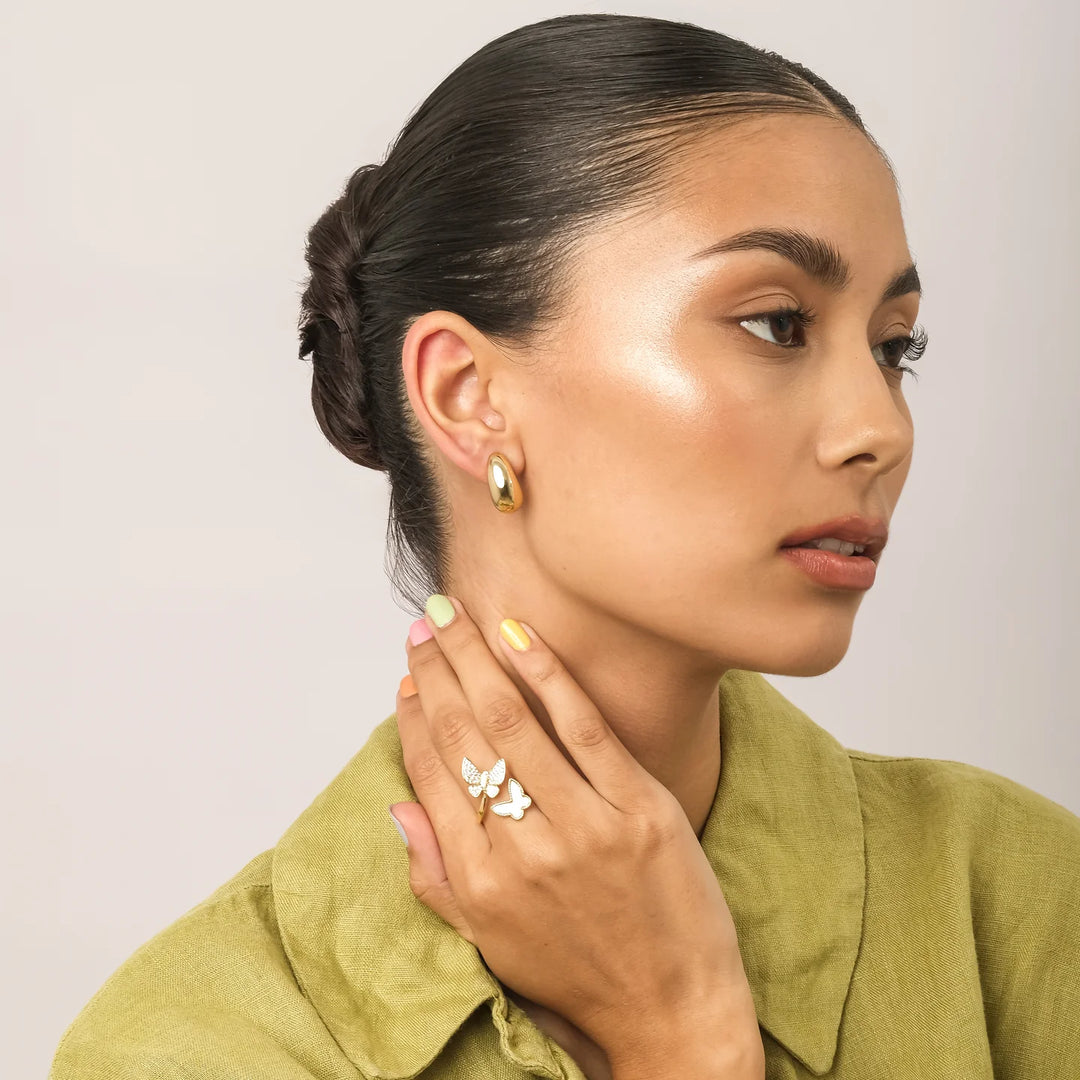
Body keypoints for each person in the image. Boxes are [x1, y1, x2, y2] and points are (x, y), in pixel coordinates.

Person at [49, 12, 1080, 1080]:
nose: (882, 429)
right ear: (469, 395)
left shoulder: (1017, 905)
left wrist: (682, 1032)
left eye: (892, 346)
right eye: (778, 323)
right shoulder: (189, 1046)